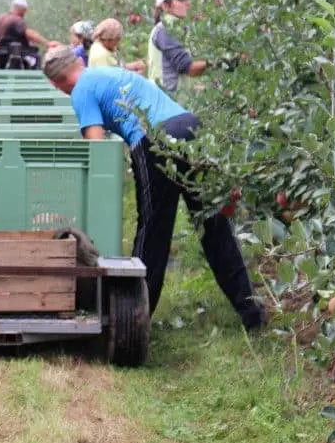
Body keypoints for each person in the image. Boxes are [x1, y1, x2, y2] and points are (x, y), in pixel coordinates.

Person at [41, 45, 265, 331]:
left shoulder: (80, 90)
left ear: (55, 82)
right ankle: (252, 314)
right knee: (214, 225)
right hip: (189, 126)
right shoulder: (107, 72)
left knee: (153, 231)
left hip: (155, 139)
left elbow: (95, 150)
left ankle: (134, 321)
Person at [148, 0, 209, 98]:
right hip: (168, 103)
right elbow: (187, 68)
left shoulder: (178, 29)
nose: (188, 4)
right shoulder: (166, 29)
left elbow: (180, 76)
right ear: (165, 6)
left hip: (173, 102)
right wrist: (220, 62)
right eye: (181, 0)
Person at [0, 0, 55, 69]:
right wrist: (47, 43)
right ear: (23, 10)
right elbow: (29, 33)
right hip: (11, 53)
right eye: (25, 11)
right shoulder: (17, 19)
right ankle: (32, 76)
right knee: (35, 56)